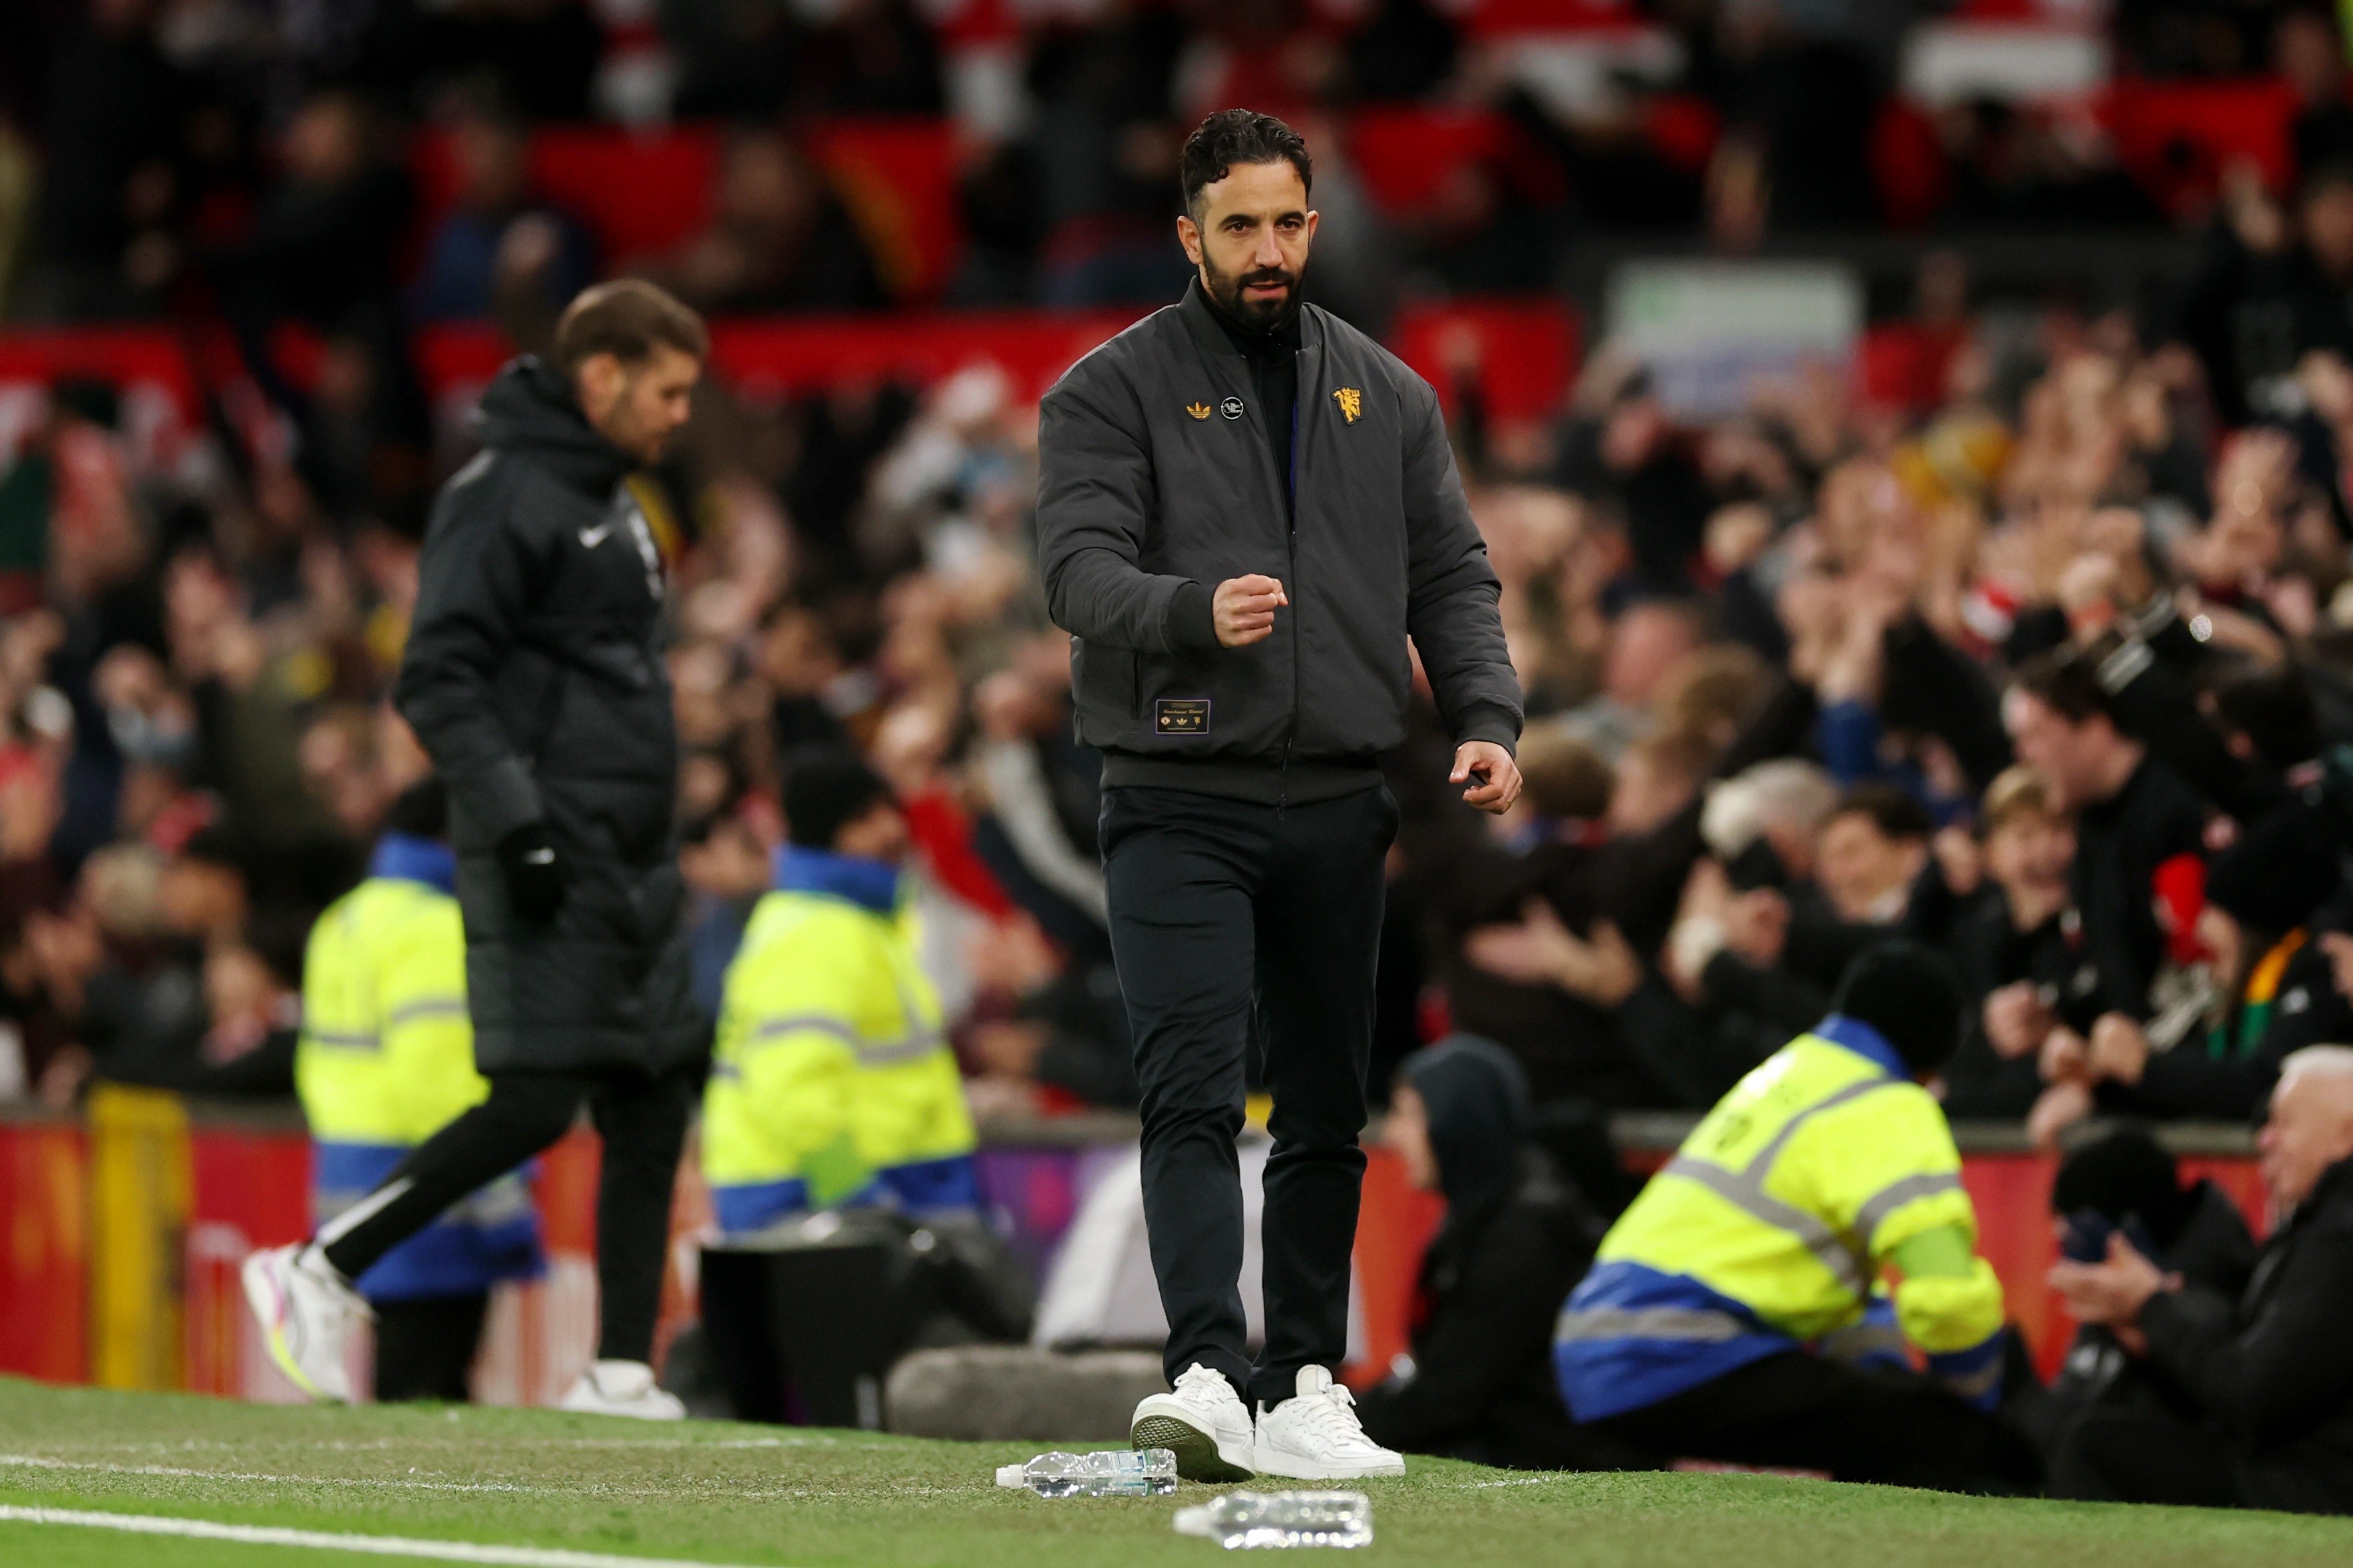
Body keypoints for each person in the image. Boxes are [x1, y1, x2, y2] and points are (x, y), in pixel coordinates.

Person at [1035, 108, 1523, 1482]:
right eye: (1238, 225)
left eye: (1287, 222)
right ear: (1187, 234)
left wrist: (1484, 714)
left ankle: (1307, 1374)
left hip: (1337, 791)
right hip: (1175, 786)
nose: (1266, 249)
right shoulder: (1105, 389)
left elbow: (1452, 577)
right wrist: (1193, 609)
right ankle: (1204, 1367)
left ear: (1314, 224)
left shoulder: (1391, 393)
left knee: (1325, 1105)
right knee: (1189, 1090)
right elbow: (1074, 575)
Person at [243, 280, 710, 1419]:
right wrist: (518, 822)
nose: (681, 414)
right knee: (540, 1096)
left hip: (634, 853)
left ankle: (618, 1372)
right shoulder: (501, 496)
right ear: (600, 378)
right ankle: (319, 1263)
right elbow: (436, 674)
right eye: (667, 391)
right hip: (549, 844)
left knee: (652, 1096)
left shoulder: (621, 505)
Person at [1556, 941, 2042, 1493]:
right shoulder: (1889, 1105)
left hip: (1596, 1344)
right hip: (1674, 1347)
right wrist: (1972, 1401)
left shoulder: (1787, 1075)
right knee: (1952, 1438)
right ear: (1933, 1058)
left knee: (1885, 1413)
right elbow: (1949, 1297)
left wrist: (1890, 1378)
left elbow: (1850, 1306)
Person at [294, 780, 544, 1402]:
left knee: (401, 1384)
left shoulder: (345, 917)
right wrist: (501, 1204)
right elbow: (440, 1088)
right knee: (431, 1388)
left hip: (354, 1180)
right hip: (433, 1199)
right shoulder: (434, 925)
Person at [2050, 1045, 2353, 1513]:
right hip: (2295, 1472)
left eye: (2282, 1124)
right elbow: (2246, 1386)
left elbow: (2254, 1399)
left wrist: (2154, 1308)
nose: (2264, 1140)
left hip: (2314, 1489)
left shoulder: (2341, 1237)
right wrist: (2149, 1337)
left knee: (2098, 1447)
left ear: (2346, 1134)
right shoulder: (2320, 1226)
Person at [701, 749, 978, 1231]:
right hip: (815, 1199)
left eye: (890, 809)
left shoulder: (863, 922)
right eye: (863, 818)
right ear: (825, 833)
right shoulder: (815, 930)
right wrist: (855, 1193)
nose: (891, 829)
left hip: (874, 1189)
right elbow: (793, 1084)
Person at [1354, 1037, 1646, 1472]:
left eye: (1409, 1114)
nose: (1391, 1134)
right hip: (1520, 1450)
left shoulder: (1525, 1234)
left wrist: (1338, 1429)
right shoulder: (1489, 1211)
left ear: (1459, 1120)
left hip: (1570, 1463)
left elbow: (1448, 1397)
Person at [2013, 1128, 2256, 1467]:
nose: (2060, 1238)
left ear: (2122, 1234)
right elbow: (2055, 1423)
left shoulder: (2201, 1313)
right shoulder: (2113, 1298)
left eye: (2071, 1224)